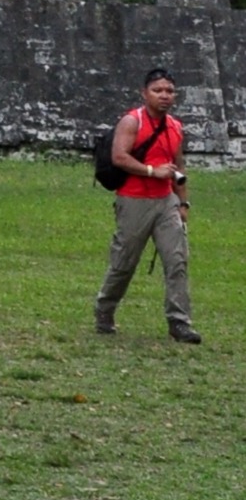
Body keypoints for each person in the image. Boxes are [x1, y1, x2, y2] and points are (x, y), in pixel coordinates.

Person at [96, 68, 200, 344]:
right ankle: (105, 310)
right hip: (134, 200)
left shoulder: (175, 126)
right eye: (158, 90)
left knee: (177, 261)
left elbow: (178, 166)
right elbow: (120, 157)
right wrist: (153, 171)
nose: (164, 96)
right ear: (145, 94)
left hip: (166, 201)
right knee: (124, 263)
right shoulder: (133, 121)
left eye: (169, 91)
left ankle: (179, 322)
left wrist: (183, 202)